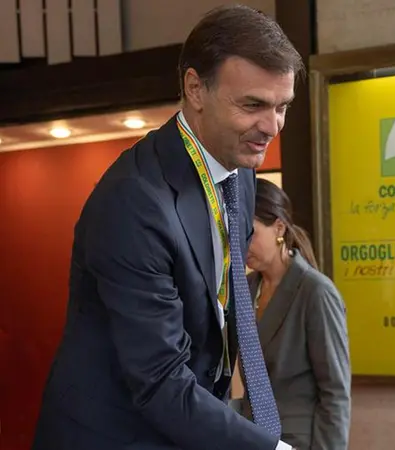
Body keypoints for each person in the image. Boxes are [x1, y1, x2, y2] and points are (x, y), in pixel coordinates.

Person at [32, 5, 303, 450]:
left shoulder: (241, 170)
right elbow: (159, 379)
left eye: (282, 107)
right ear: (196, 89)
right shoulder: (134, 201)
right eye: (253, 104)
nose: (271, 127)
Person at [231, 178, 351, 450]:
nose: (243, 245)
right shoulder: (247, 288)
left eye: (250, 234)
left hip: (300, 440)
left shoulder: (316, 292)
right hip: (254, 436)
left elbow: (335, 392)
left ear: (279, 228)